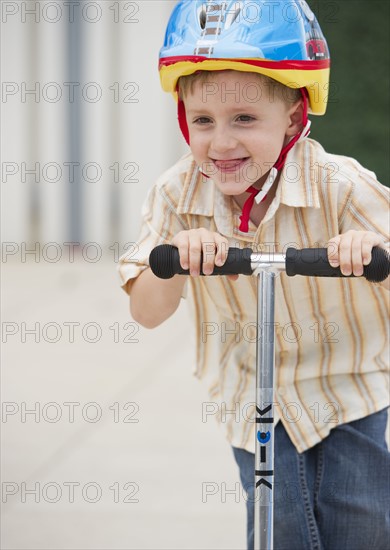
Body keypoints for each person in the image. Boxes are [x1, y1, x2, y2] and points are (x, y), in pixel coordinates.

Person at [118, 1, 390, 548]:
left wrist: (371, 253)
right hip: (253, 398)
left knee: (360, 523)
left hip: (346, 388)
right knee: (278, 526)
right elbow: (146, 312)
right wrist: (175, 255)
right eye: (203, 120)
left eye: (244, 119)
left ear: (292, 117)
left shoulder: (341, 187)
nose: (221, 143)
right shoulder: (177, 194)